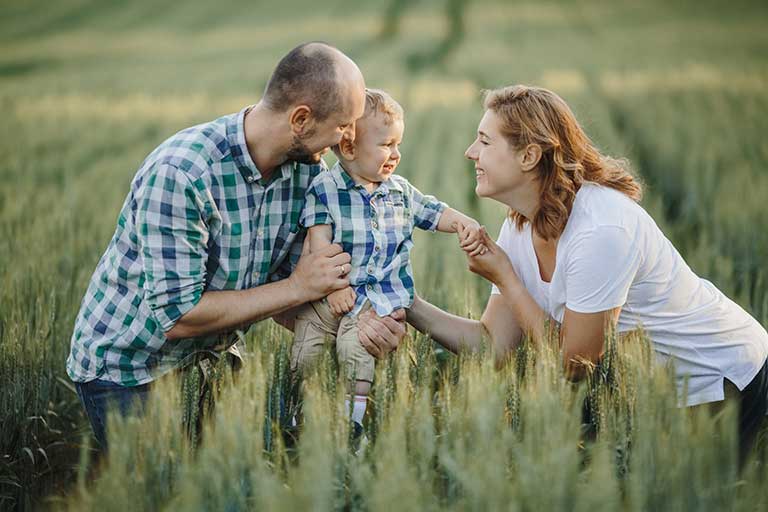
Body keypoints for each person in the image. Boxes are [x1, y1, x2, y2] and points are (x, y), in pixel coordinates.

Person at [66, 42, 406, 449]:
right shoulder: (182, 174)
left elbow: (305, 286)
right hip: (130, 370)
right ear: (301, 118)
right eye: (343, 125)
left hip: (213, 357)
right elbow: (179, 317)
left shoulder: (307, 175)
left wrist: (365, 323)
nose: (348, 139)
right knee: (163, 495)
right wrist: (299, 287)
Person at [407, 84, 768, 463]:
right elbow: (493, 346)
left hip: (716, 375)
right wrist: (405, 302)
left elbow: (574, 364)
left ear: (529, 155)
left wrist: (506, 279)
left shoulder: (601, 230)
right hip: (654, 387)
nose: (470, 152)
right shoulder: (518, 227)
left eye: (484, 141)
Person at [290, 89, 482, 437]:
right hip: (330, 298)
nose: (396, 154)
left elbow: (432, 211)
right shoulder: (324, 189)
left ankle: (354, 422)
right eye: (386, 145)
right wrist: (333, 287)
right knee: (307, 352)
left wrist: (462, 223)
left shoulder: (401, 191)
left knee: (356, 351)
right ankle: (300, 417)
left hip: (377, 302)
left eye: (398, 145)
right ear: (348, 148)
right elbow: (319, 244)